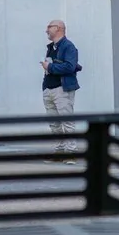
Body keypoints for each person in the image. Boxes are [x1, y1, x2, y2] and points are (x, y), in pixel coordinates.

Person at [41, 19, 80, 161]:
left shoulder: (69, 46)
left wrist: (50, 67)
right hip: (49, 89)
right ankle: (59, 150)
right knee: (54, 123)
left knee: (67, 121)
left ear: (57, 28)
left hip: (62, 89)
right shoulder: (51, 47)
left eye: (49, 27)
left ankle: (71, 152)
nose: (46, 30)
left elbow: (70, 66)